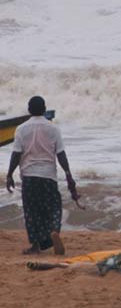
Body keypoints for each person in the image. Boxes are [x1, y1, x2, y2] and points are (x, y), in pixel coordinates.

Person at [5, 96, 80, 255]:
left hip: (29, 177)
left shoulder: (21, 129)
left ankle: (36, 246)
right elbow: (61, 154)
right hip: (48, 177)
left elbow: (16, 154)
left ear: (29, 110)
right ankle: (53, 232)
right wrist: (68, 175)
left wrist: (10, 174)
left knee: (32, 212)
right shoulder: (53, 128)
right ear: (44, 109)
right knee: (53, 207)